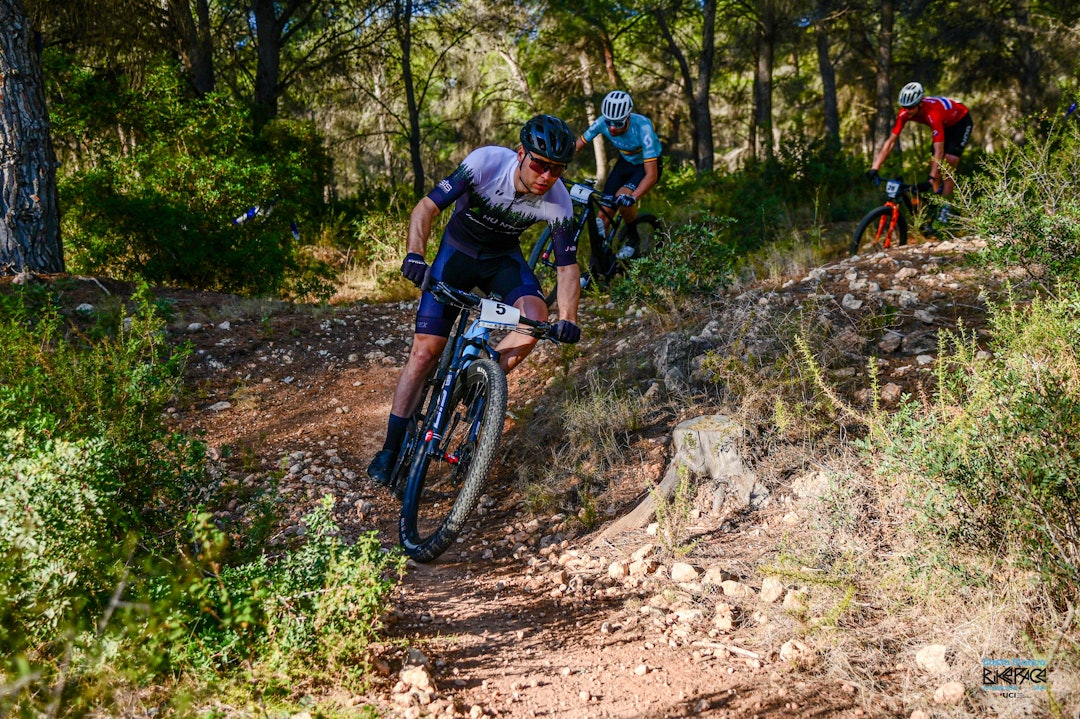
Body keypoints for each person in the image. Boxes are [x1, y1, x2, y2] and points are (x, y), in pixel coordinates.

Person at [367, 115, 583, 485]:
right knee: (425, 353)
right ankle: (389, 449)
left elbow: (567, 266)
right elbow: (426, 208)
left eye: (557, 169)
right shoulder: (486, 163)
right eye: (539, 165)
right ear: (520, 154)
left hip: (502, 261)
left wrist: (569, 317)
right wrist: (415, 255)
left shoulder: (559, 200)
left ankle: (479, 379)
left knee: (535, 319)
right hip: (457, 254)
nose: (547, 176)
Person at [574, 90, 663, 276]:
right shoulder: (601, 122)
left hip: (646, 166)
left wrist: (633, 196)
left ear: (628, 117)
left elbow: (651, 176)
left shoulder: (643, 127)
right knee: (602, 219)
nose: (612, 128)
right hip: (625, 163)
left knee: (623, 198)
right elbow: (579, 144)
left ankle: (633, 237)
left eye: (618, 123)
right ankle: (600, 266)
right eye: (609, 122)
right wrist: (555, 163)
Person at [867, 81, 973, 202]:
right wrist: (875, 167)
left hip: (960, 121)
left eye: (911, 107)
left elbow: (939, 151)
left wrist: (931, 179)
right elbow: (891, 141)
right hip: (944, 123)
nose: (907, 110)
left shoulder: (933, 113)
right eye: (904, 107)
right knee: (934, 165)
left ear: (920, 104)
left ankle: (946, 206)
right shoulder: (904, 113)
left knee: (948, 163)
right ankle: (937, 201)